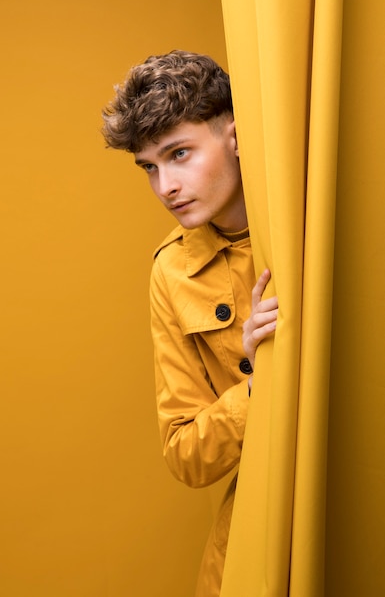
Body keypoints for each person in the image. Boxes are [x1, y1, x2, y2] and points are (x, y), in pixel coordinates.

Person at [102, 50, 278, 597]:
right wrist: (258, 383)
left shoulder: (312, 218)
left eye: (180, 154)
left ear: (235, 136)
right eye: (150, 167)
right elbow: (186, 453)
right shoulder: (171, 272)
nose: (165, 187)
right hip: (264, 525)